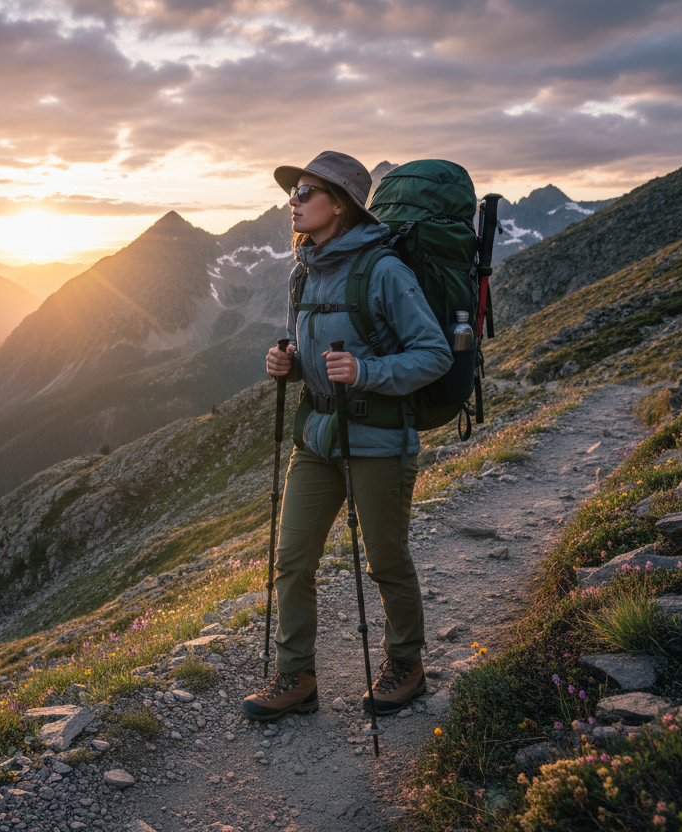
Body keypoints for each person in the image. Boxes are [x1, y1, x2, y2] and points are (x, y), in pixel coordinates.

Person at [241, 151, 453, 721]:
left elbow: (432, 354)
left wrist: (367, 373)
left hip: (378, 440)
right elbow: (314, 349)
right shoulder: (302, 271)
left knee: (385, 560)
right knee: (291, 558)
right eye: (294, 193)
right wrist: (286, 364)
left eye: (306, 192)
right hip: (317, 439)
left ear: (341, 205)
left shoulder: (384, 271)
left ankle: (406, 665)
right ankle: (296, 676)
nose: (294, 201)